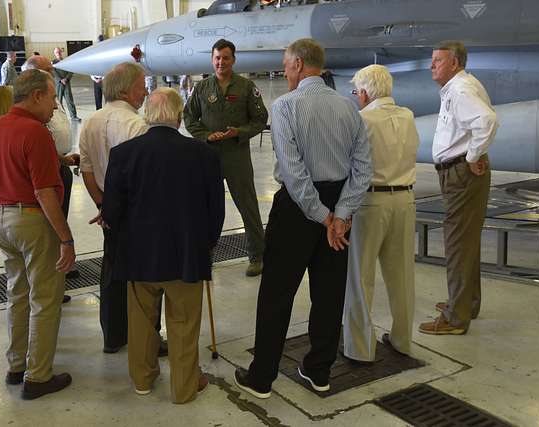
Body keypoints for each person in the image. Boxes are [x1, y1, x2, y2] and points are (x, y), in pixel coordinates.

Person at [234, 38, 372, 398]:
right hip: (339, 206)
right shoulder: (348, 107)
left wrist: (322, 216)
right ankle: (319, 370)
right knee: (329, 294)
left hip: (298, 210)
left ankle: (262, 377)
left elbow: (294, 173)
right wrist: (340, 215)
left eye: (285, 63)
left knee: (276, 294)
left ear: (297, 64)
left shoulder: (285, 107)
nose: (283, 70)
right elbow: (362, 168)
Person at [101, 87, 225, 403]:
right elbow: (216, 210)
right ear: (179, 116)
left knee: (141, 321)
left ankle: (142, 380)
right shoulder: (205, 154)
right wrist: (207, 245)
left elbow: (111, 211)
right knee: (184, 323)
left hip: (139, 255)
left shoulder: (123, 154)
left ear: (147, 115)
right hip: (186, 255)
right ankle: (184, 389)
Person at [0, 69, 75, 400]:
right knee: (45, 299)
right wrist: (66, 238)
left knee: (17, 294)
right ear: (36, 96)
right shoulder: (35, 132)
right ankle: (38, 376)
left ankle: (16, 364)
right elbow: (45, 192)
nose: (53, 106)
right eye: (51, 98)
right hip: (31, 220)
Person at [80, 62, 162, 354]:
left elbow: (87, 171)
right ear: (126, 90)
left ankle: (113, 336)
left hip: (109, 212)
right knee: (145, 279)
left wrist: (104, 206)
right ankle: (148, 336)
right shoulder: (136, 126)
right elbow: (140, 178)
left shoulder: (90, 121)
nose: (145, 91)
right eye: (142, 85)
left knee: (112, 273)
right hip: (135, 214)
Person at [419, 41, 498, 335]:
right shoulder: (460, 86)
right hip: (460, 171)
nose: (432, 66)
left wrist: (473, 155)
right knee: (466, 241)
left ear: (454, 62)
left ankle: (455, 318)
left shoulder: (461, 89)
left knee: (457, 244)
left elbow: (487, 120)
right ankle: (467, 303)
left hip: (460, 173)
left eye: (437, 61)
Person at [343, 64, 419, 362]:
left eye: (355, 92)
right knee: (402, 276)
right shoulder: (408, 116)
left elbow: (352, 164)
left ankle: (360, 349)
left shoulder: (362, 119)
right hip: (405, 199)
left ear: (363, 92)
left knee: (361, 277)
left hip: (370, 204)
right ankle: (402, 340)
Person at [184, 38, 268, 277]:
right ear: (212, 60)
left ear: (234, 60)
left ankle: (257, 255)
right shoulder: (201, 88)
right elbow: (189, 118)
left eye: (226, 58)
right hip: (208, 157)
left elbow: (260, 119)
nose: (221, 62)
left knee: (248, 206)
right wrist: (207, 136)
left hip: (236, 156)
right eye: (217, 58)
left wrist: (238, 133)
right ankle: (206, 253)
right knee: (207, 208)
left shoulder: (246, 87)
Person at [24, 55, 80, 287]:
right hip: (46, 169)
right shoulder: (34, 102)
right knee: (50, 224)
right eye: (46, 69)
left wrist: (64, 160)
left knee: (59, 218)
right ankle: (51, 278)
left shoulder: (49, 93)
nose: (51, 73)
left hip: (59, 163)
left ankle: (60, 268)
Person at [52, 47, 81, 121]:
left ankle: (73, 116)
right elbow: (53, 73)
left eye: (59, 52)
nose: (58, 53)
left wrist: (66, 78)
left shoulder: (66, 61)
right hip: (58, 84)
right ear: (54, 54)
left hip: (66, 83)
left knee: (69, 100)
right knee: (58, 101)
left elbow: (71, 70)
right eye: (56, 52)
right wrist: (60, 80)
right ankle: (60, 117)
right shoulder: (53, 63)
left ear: (61, 52)